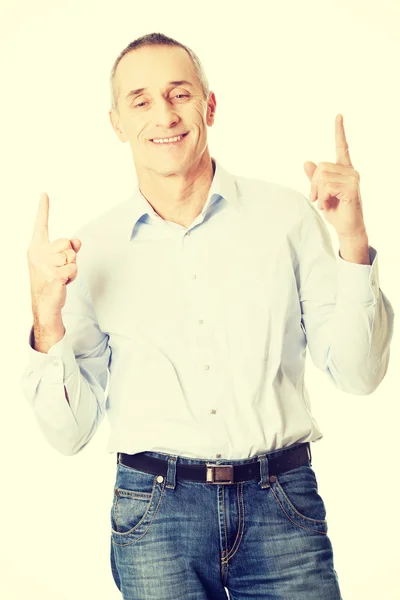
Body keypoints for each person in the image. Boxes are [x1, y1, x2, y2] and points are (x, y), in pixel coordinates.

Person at [21, 32, 394, 600]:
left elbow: (358, 374)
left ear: (209, 105)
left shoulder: (286, 217)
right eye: (140, 101)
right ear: (117, 121)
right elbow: (69, 434)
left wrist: (353, 240)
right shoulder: (89, 250)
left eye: (179, 93)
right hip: (155, 517)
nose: (164, 115)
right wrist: (46, 319)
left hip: (283, 505)